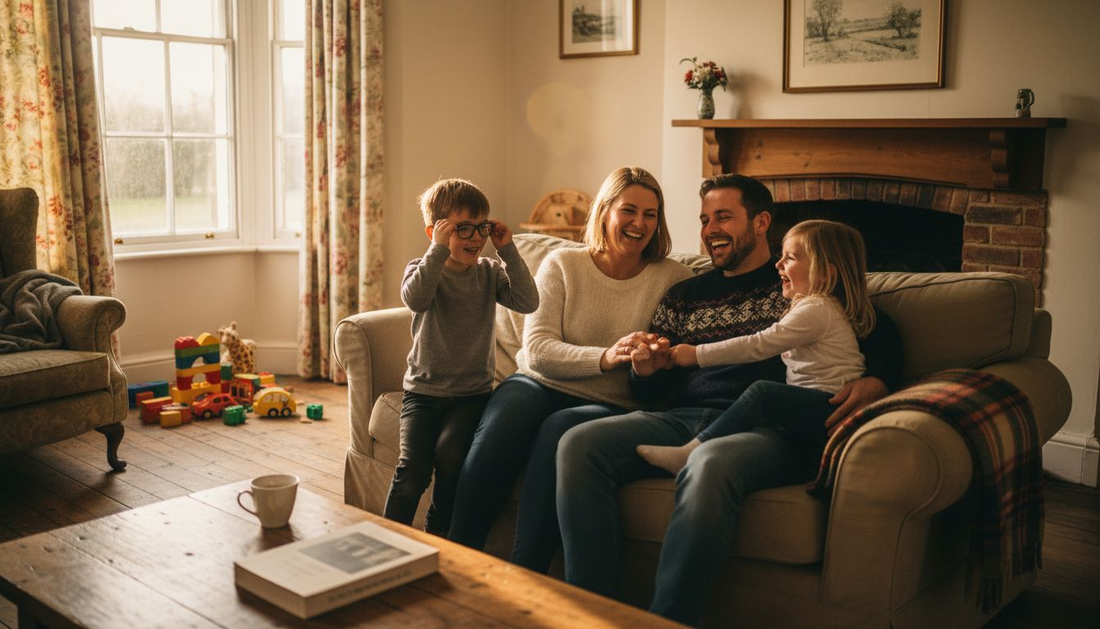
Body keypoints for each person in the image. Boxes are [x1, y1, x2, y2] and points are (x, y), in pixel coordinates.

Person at [555, 174, 903, 626]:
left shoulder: (798, 286)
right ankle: (594, 614)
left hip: (763, 427)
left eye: (723, 217)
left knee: (708, 463)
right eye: (704, 220)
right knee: (577, 444)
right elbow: (651, 391)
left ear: (761, 222)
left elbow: (877, 326)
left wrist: (879, 379)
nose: (710, 229)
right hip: (680, 417)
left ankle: (667, 621)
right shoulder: (683, 295)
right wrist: (646, 370)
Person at [448, 167, 694, 573]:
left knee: (557, 430)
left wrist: (646, 363)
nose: (640, 223)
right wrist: (608, 356)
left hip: (609, 402)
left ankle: (525, 575)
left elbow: (660, 378)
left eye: (651, 214)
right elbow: (539, 350)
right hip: (536, 382)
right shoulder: (562, 264)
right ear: (604, 211)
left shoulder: (674, 279)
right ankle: (457, 556)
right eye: (629, 210)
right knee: (506, 420)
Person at [636, 219, 875, 475]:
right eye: (781, 256)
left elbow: (758, 344)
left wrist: (697, 354)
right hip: (815, 406)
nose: (778, 265)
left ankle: (692, 450)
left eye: (790, 259)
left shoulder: (817, 309)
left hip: (828, 406)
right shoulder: (816, 307)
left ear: (825, 273)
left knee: (763, 392)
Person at [384, 178, 539, 537]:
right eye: (462, 229)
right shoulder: (422, 269)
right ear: (435, 231)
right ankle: (387, 538)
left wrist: (508, 250)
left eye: (480, 228)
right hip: (422, 396)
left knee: (453, 464)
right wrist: (436, 251)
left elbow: (528, 301)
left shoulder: (489, 272)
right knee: (412, 471)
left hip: (471, 397)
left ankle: (437, 540)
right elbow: (417, 299)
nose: (474, 238)